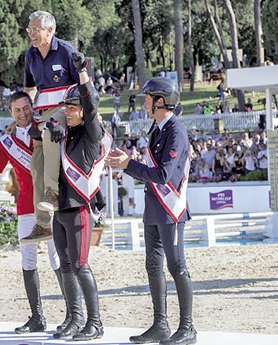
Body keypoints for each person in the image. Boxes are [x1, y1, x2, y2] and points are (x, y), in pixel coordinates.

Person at [0, 91, 75, 335]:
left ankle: (72, 315)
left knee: (58, 259)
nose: (22, 113)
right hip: (26, 207)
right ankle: (37, 317)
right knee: (28, 262)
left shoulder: (46, 129)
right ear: (11, 113)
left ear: (32, 107)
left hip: (50, 204)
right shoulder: (7, 141)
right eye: (17, 110)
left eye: (26, 108)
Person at [106, 77, 197, 345]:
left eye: (148, 98)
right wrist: (127, 163)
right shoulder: (158, 128)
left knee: (177, 266)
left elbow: (163, 175)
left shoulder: (176, 132)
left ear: (160, 101)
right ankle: (160, 325)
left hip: (171, 210)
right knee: (153, 266)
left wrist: (128, 164)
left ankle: (188, 328)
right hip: (154, 209)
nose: (144, 102)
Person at [45, 51, 111, 341]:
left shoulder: (91, 133)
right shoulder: (68, 133)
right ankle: (75, 319)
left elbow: (91, 104)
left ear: (82, 111)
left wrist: (82, 71)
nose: (67, 111)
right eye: (66, 107)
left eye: (72, 108)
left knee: (81, 265)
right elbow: (51, 124)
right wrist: (53, 128)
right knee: (65, 264)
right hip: (60, 207)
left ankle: (95, 323)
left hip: (79, 208)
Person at [22, 10, 81, 242]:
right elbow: (29, 90)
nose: (31, 34)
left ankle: (53, 192)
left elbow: (84, 86)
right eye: (29, 30)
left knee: (49, 132)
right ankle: (43, 224)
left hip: (66, 109)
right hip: (42, 113)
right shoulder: (30, 55)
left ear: (50, 30)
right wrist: (23, 116)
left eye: (35, 30)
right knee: (35, 164)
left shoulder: (67, 51)